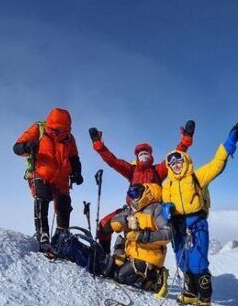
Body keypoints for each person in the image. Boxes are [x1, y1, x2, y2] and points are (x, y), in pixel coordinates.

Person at [162, 122, 238, 306]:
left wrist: (229, 142)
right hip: (178, 227)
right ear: (168, 166)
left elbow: (217, 164)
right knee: (183, 263)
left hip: (197, 224)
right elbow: (164, 204)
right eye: (172, 163)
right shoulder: (167, 185)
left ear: (185, 161)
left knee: (198, 263)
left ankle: (205, 298)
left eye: (179, 161)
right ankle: (191, 293)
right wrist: (168, 211)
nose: (176, 165)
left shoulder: (197, 176)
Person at [88, 121, 195, 255]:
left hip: (152, 213)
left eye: (146, 153)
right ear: (137, 157)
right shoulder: (132, 170)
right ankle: (103, 257)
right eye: (140, 154)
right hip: (131, 210)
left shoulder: (158, 170)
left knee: (140, 241)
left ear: (150, 156)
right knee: (104, 225)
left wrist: (185, 141)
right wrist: (99, 145)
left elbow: (173, 157)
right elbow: (113, 161)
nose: (143, 156)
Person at [13, 108, 83, 251]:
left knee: (64, 205)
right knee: (42, 197)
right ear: (49, 124)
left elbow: (74, 158)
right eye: (55, 130)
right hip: (40, 174)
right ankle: (42, 234)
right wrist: (27, 146)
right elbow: (16, 147)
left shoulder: (70, 139)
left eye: (61, 131)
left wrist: (77, 173)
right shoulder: (38, 129)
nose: (58, 134)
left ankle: (61, 235)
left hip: (61, 178)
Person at [105, 183, 171, 297]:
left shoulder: (156, 209)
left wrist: (141, 236)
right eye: (130, 194)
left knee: (121, 277)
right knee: (111, 270)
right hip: (131, 253)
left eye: (136, 193)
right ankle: (145, 277)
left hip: (149, 256)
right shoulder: (133, 209)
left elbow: (167, 234)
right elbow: (114, 223)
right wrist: (123, 220)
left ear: (144, 192)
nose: (133, 196)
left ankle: (155, 276)